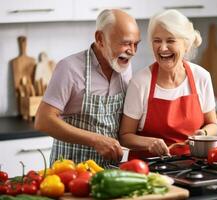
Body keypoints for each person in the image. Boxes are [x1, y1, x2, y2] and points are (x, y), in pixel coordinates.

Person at [35, 9, 141, 168]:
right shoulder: (70, 68)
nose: (132, 51)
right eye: (126, 43)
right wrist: (95, 140)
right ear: (100, 39)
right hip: (71, 170)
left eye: (136, 44)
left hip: (111, 172)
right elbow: (43, 120)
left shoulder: (124, 67)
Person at [119, 9, 217, 159]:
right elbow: (125, 136)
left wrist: (203, 133)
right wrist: (149, 143)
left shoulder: (201, 77)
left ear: (186, 45)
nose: (163, 48)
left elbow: (212, 124)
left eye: (170, 40)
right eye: (157, 40)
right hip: (148, 169)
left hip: (192, 166)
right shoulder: (140, 82)